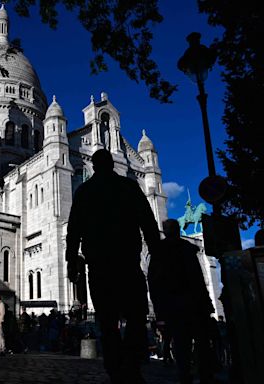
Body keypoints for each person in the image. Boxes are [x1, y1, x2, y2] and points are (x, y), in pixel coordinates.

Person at [66, 149, 160, 384]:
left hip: (100, 266)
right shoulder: (128, 187)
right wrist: (156, 252)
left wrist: (71, 262)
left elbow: (73, 231)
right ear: (111, 164)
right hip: (127, 262)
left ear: (94, 167)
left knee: (107, 321)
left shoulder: (85, 191)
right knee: (137, 316)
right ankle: (131, 362)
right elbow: (148, 221)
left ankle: (115, 367)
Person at [148, 218, 215, 384]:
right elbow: (198, 279)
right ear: (177, 231)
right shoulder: (187, 249)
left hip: (174, 303)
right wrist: (206, 302)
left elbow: (153, 281)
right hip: (193, 302)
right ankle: (205, 375)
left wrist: (158, 307)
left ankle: (184, 374)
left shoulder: (159, 251)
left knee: (181, 342)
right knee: (201, 341)